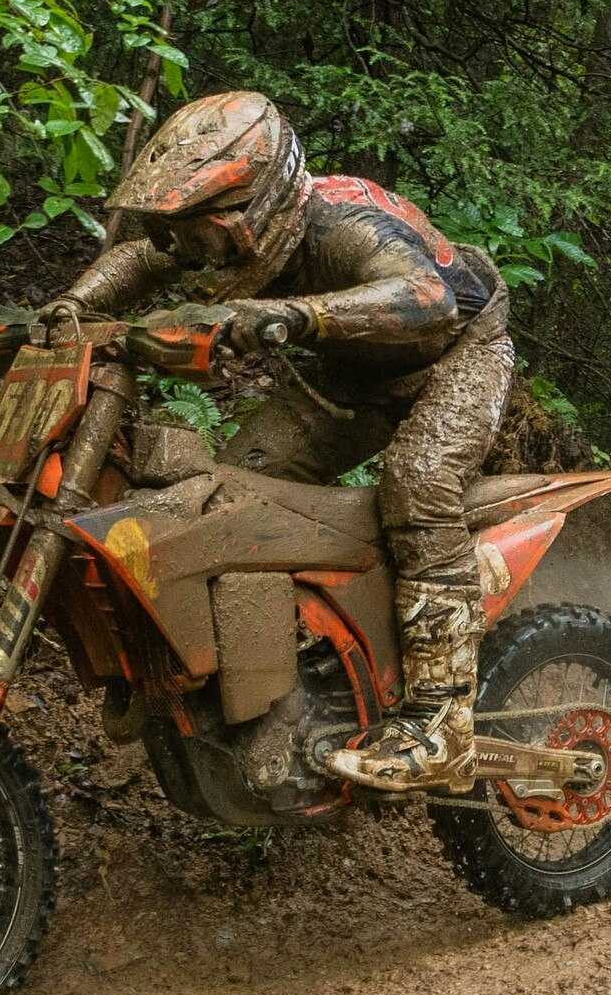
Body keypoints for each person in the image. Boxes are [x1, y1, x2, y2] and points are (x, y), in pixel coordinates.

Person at [38, 90, 511, 791]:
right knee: (227, 499)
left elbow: (426, 300)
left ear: (254, 211)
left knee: (417, 483)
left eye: (200, 236)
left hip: (453, 356)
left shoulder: (340, 225)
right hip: (348, 373)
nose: (189, 254)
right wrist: (75, 306)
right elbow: (144, 256)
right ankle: (271, 682)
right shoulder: (218, 235)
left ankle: (443, 718)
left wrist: (287, 314)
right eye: (184, 236)